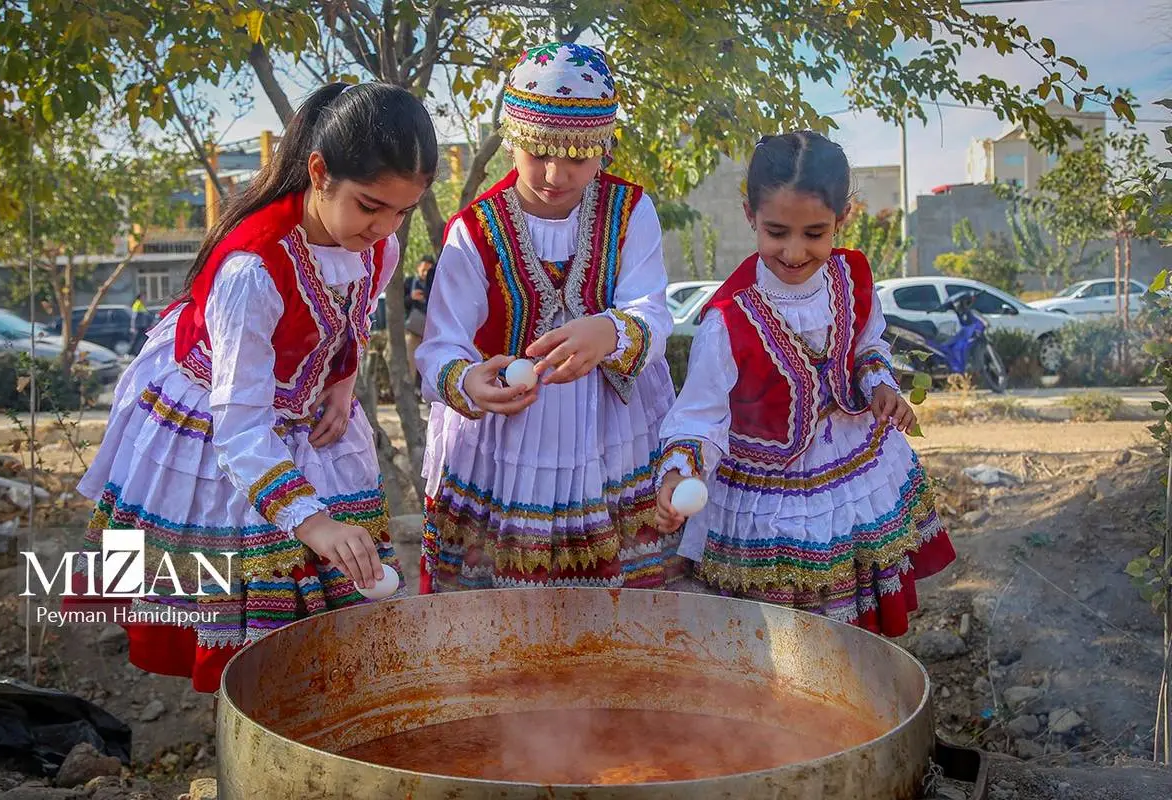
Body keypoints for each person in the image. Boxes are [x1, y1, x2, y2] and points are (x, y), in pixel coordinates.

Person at [68, 82, 439, 693]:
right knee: (253, 606)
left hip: (301, 408)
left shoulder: (377, 246)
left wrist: (343, 381)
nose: (385, 227)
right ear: (318, 172)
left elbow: (351, 316)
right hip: (221, 422)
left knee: (331, 600)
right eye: (371, 206)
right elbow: (240, 429)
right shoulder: (252, 271)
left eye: (401, 211)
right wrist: (313, 521)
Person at [655, 131, 955, 636]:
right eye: (776, 232)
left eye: (814, 233)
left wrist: (880, 384)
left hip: (850, 469)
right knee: (783, 633)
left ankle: (857, 699)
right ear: (749, 216)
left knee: (855, 628)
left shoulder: (852, 277)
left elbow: (868, 344)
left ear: (843, 218)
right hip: (769, 497)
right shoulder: (727, 321)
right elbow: (700, 415)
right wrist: (680, 473)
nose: (794, 252)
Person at [415, 42, 682, 592]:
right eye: (538, 151)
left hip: (613, 434)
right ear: (512, 138)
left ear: (603, 148)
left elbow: (652, 312)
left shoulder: (631, 212)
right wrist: (466, 379)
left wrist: (609, 330)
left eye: (577, 157)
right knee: (505, 611)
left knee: (620, 601)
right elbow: (440, 346)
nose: (555, 173)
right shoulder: (474, 231)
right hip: (507, 444)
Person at [404, 254, 434, 381]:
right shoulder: (410, 282)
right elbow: (400, 304)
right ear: (418, 268)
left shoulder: (434, 284)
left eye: (428, 270)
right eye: (423, 269)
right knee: (410, 361)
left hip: (430, 333)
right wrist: (411, 298)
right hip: (413, 330)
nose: (425, 273)